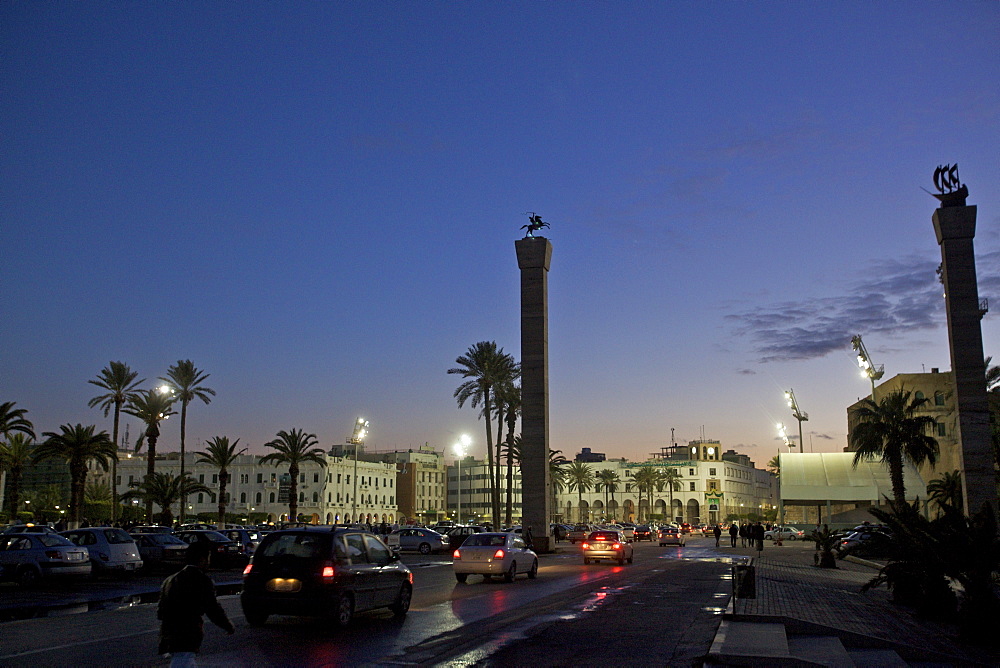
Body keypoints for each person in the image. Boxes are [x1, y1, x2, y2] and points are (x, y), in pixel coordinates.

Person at [158, 541, 235, 667]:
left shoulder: (170, 580)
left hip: (169, 632)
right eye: (208, 558)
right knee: (184, 661)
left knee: (184, 660)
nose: (209, 562)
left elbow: (160, 611)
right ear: (202, 559)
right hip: (188, 633)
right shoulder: (202, 580)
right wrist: (227, 625)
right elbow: (212, 608)